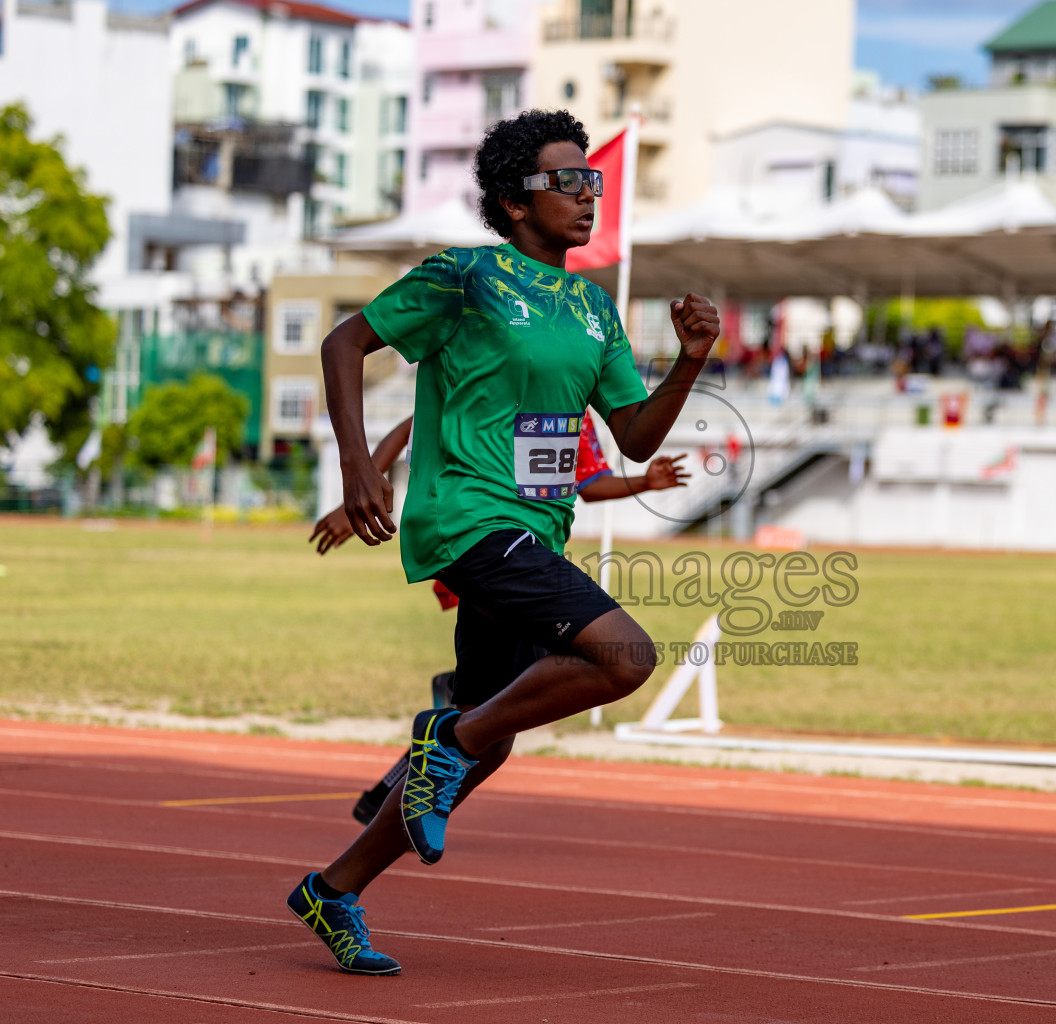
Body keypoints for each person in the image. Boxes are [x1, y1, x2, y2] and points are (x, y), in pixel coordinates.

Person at [285, 108, 720, 976]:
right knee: (626, 656)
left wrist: (691, 360)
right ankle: (447, 739)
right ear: (517, 204)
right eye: (568, 181)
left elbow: (631, 436)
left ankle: (333, 890)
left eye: (591, 179)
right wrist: (358, 468)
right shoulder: (466, 277)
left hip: (536, 526)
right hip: (467, 517)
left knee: (489, 737)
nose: (588, 194)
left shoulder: (594, 310)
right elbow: (345, 341)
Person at [305, 410, 689, 825]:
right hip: (486, 550)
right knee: (498, 710)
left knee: (489, 707)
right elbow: (413, 425)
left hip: (527, 556)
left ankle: (374, 818)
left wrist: (644, 482)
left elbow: (590, 482)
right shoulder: (507, 368)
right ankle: (417, 766)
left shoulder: (576, 404)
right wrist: (361, 483)